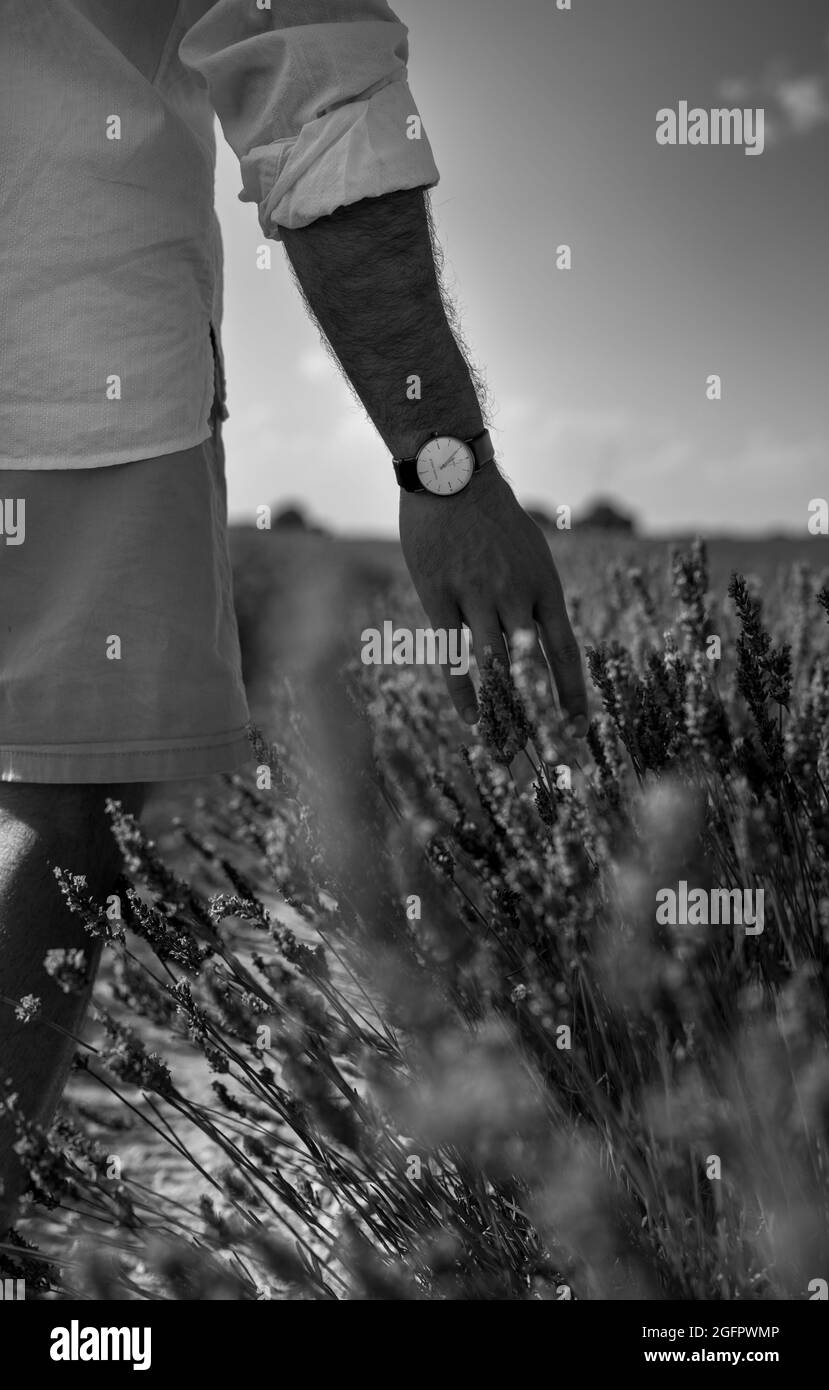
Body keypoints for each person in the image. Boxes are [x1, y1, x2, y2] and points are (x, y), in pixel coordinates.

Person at [0, 0, 587, 1229]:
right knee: (61, 811)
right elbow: (309, 76)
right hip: (69, 358)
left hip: (69, 352)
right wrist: (445, 461)